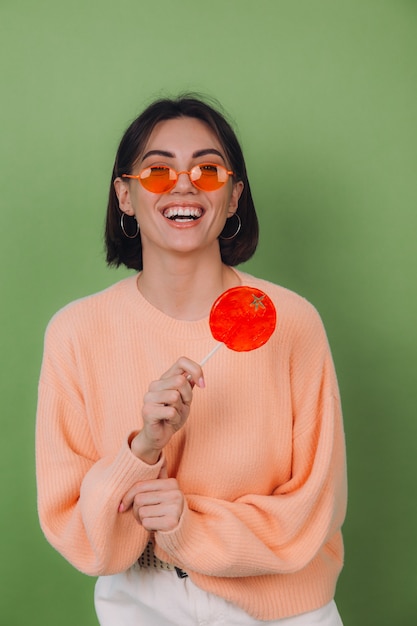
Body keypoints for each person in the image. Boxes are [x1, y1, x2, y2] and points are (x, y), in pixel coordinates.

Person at [36, 95, 347, 625]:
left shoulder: (292, 322)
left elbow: (315, 509)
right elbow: (79, 531)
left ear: (233, 198)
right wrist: (144, 449)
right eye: (158, 170)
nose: (184, 184)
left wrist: (190, 528)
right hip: (139, 604)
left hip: (282, 611)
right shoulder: (76, 333)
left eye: (207, 169)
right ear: (125, 195)